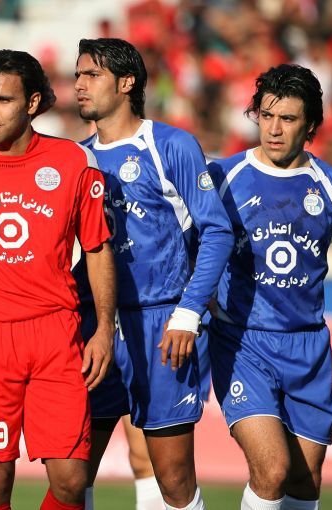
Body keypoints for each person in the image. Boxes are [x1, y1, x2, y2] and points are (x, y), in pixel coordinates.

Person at [71, 38, 234, 510]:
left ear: (127, 83)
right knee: (71, 476)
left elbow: (216, 231)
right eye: (78, 75)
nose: (79, 85)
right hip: (93, 326)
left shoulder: (169, 146)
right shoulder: (74, 158)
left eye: (92, 75)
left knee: (174, 479)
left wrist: (187, 314)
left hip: (161, 324)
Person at [0, 49, 115, 510]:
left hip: (55, 333)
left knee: (71, 480)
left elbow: (97, 249)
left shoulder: (73, 161)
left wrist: (103, 330)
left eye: (3, 100)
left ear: (31, 103)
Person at [207, 64, 332, 510]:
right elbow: (188, 248)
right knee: (272, 469)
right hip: (243, 343)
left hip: (308, 347)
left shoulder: (328, 185)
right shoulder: (223, 178)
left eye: (288, 119)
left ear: (311, 125)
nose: (274, 129)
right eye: (266, 116)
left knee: (305, 481)